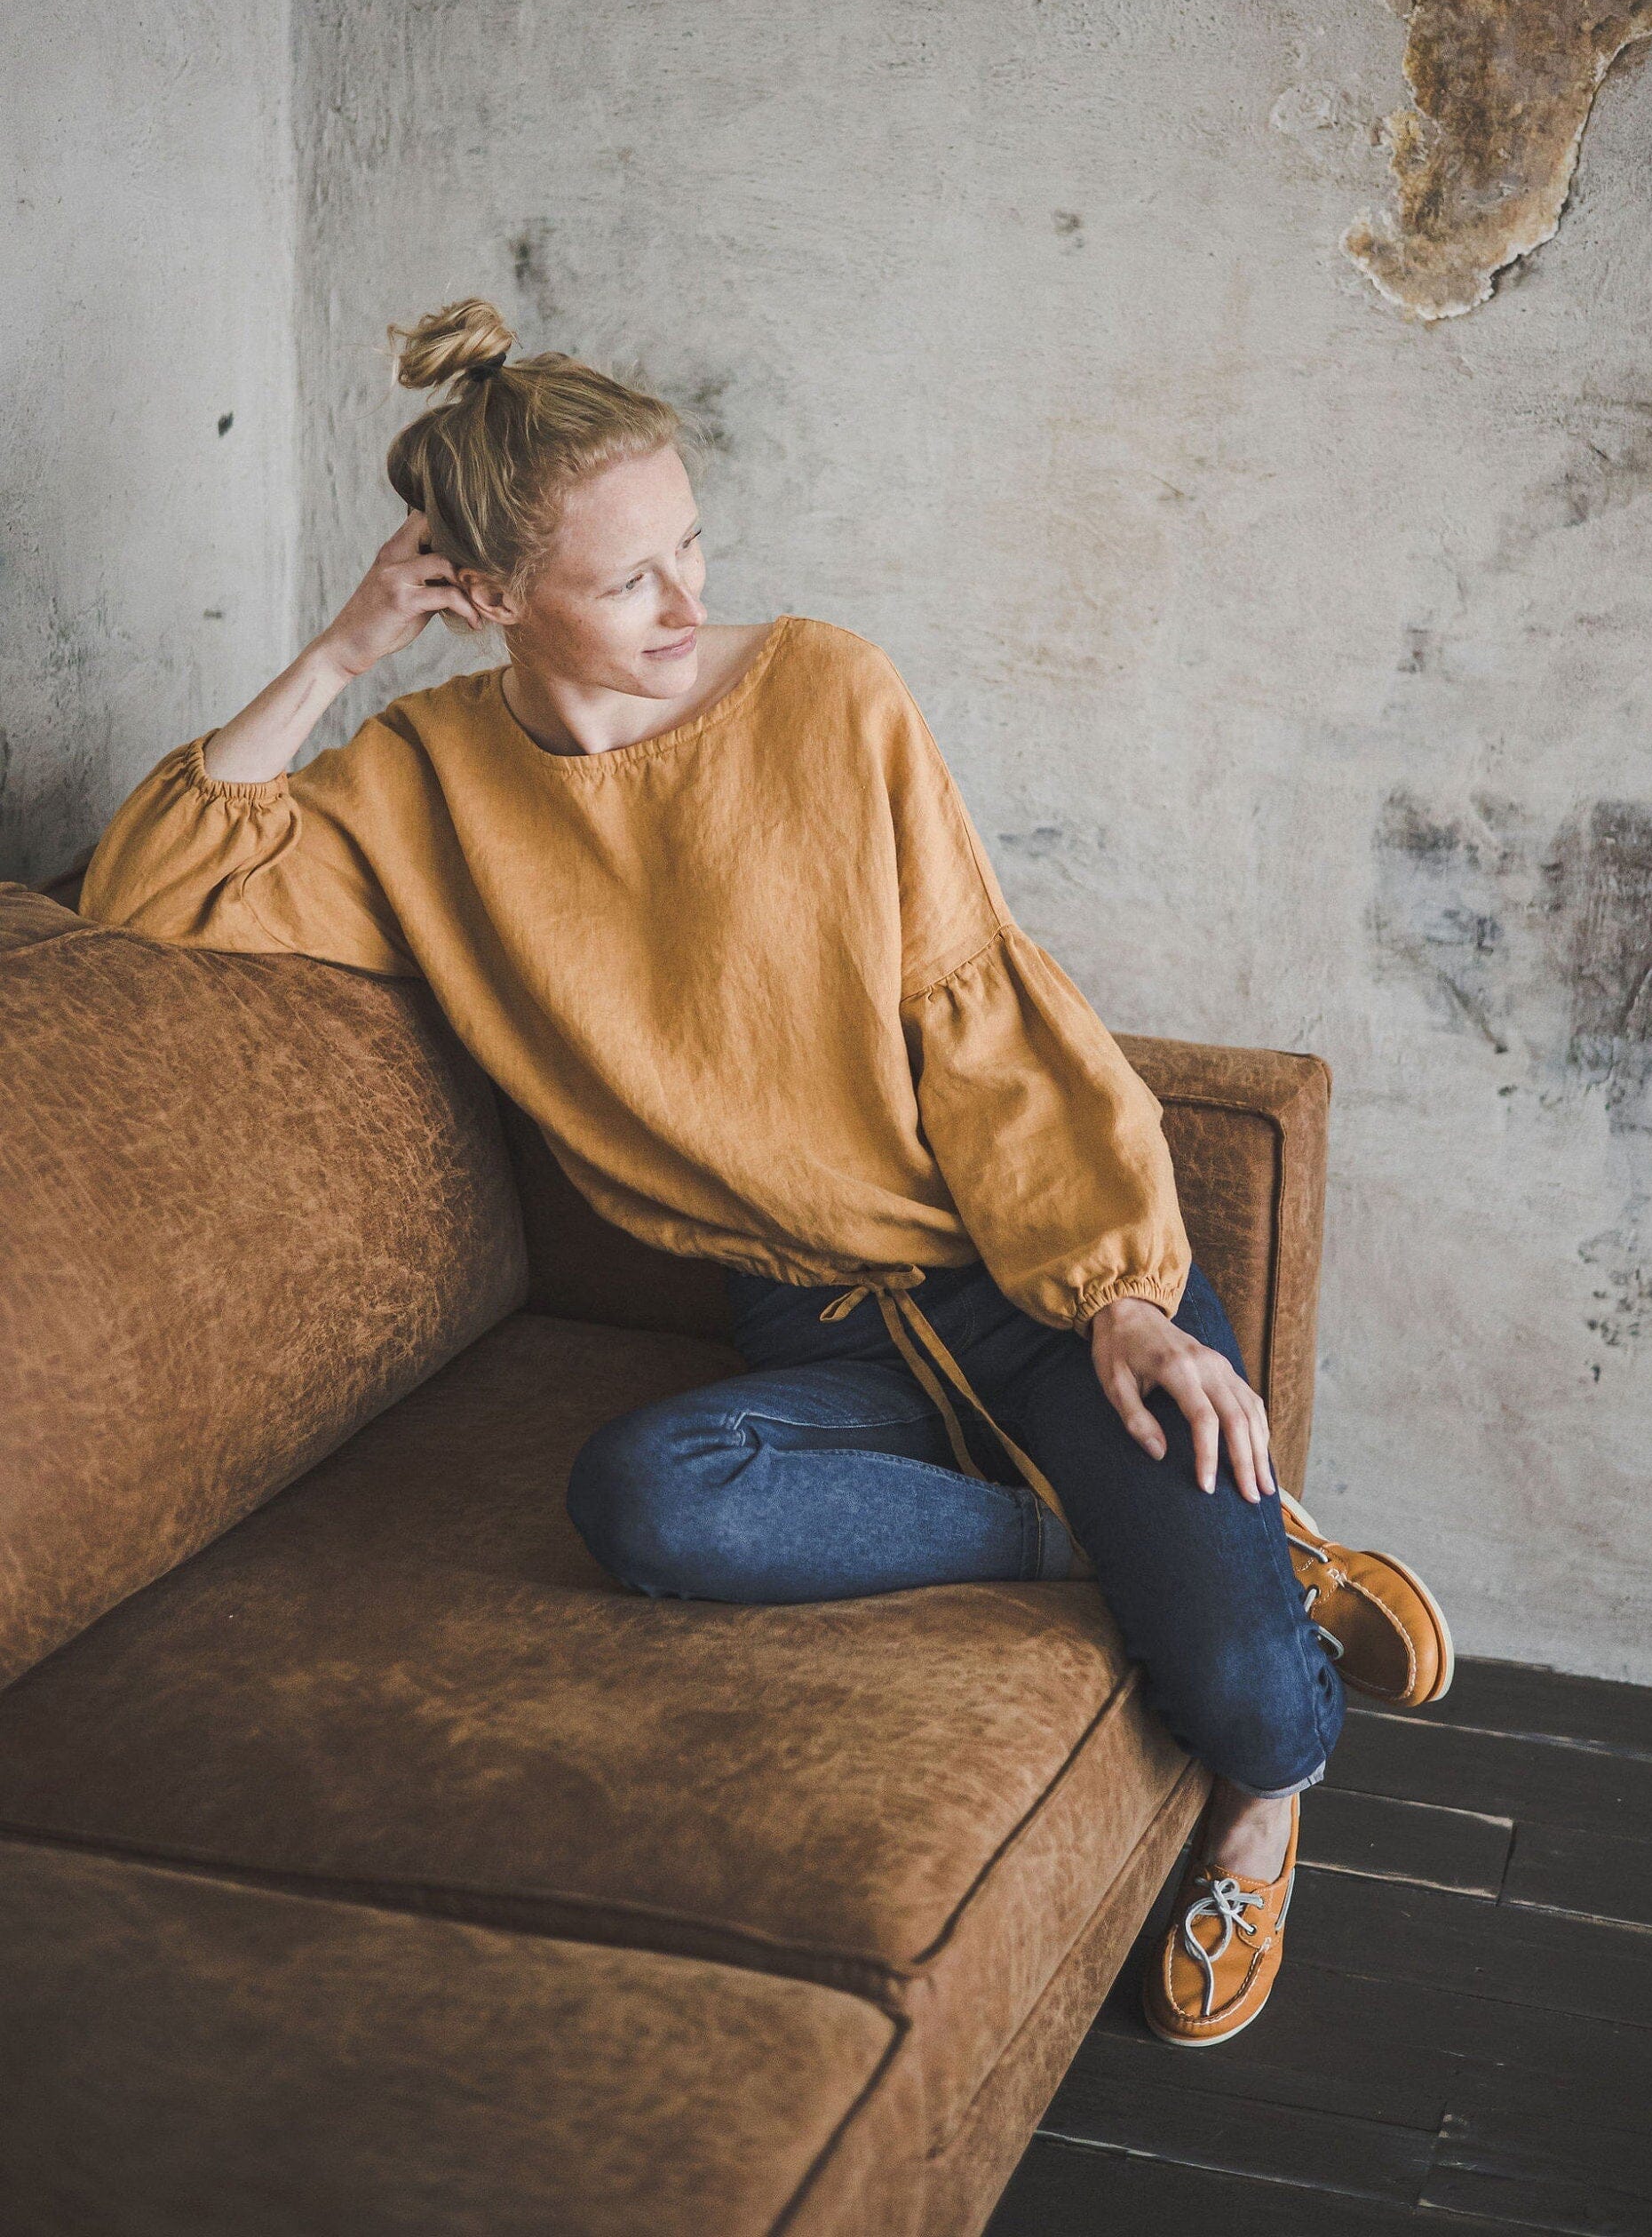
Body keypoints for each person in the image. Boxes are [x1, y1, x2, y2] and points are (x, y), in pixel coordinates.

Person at [81, 297, 1452, 2049]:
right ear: (492, 599)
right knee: (654, 1502)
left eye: (691, 552)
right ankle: (1142, 1543)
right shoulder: (419, 789)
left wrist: (1119, 1297)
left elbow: (979, 1003)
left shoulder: (825, 687)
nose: (686, 606)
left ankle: (1265, 1789)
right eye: (629, 578)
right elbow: (153, 882)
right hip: (812, 1346)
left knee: (1256, 1713)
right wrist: (346, 649)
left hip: (1024, 1276)